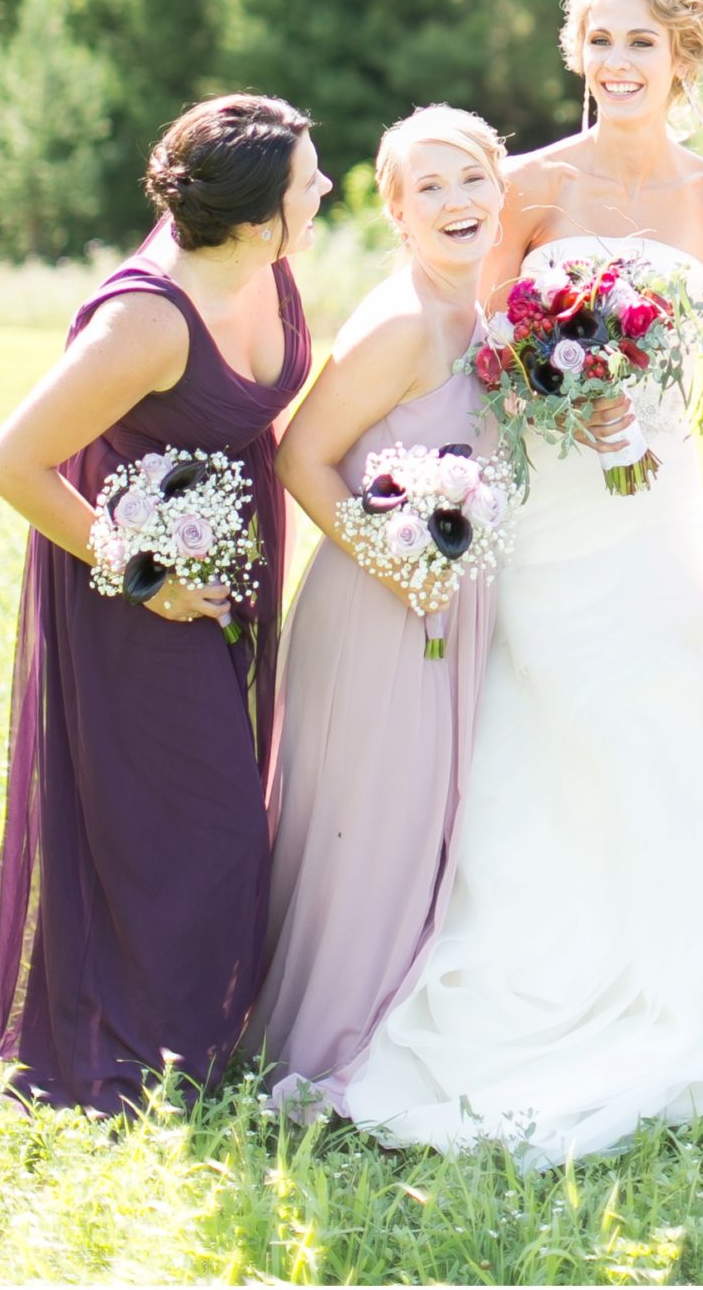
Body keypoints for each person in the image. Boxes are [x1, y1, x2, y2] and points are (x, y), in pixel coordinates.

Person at [340, 0, 703, 1162]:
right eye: (599, 39)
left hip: (659, 513)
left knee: (680, 724)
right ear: (576, 51)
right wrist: (547, 390)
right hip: (547, 524)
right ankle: (534, 984)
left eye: (643, 41)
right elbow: (470, 350)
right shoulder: (524, 185)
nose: (617, 62)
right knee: (551, 733)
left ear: (684, 57)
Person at [0, 94, 324, 1114]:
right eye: (305, 181)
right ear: (252, 216)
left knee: (213, 813)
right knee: (205, 824)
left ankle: (195, 1028)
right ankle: (147, 1050)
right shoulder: (146, 320)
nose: (322, 187)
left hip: (225, 572)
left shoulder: (268, 269)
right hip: (131, 595)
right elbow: (11, 461)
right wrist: (146, 577)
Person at [246, 106, 509, 1111]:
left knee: (415, 829)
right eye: (427, 188)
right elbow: (300, 456)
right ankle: (324, 1049)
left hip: (442, 605)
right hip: (377, 606)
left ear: (500, 190)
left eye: (471, 179)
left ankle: (379, 1029)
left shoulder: (475, 315)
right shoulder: (406, 320)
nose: (454, 202)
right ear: (395, 213)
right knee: (368, 826)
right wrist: (395, 566)